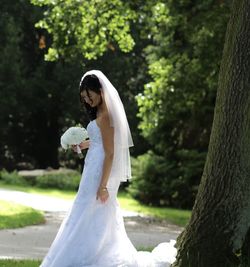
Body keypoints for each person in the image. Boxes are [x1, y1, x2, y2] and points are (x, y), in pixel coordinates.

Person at [39, 70, 177, 267]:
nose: (87, 100)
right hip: (93, 167)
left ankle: (93, 255)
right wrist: (80, 145)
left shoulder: (105, 116)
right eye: (84, 98)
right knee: (86, 210)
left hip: (101, 171)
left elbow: (110, 152)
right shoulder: (101, 114)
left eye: (89, 95)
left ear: (100, 91)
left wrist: (103, 185)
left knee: (93, 208)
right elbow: (98, 142)